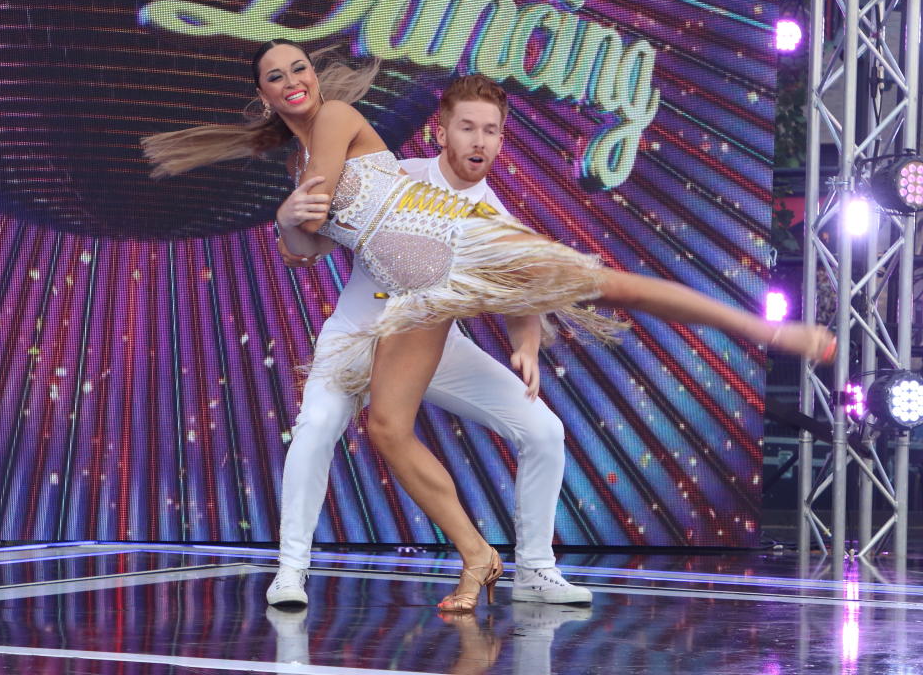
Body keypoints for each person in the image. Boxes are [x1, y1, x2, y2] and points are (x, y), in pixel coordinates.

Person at [143, 39, 836, 613]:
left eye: (299, 68)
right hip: (404, 303)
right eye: (278, 75)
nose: (294, 79)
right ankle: (467, 556)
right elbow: (309, 248)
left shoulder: (336, 120)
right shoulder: (333, 160)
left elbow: (315, 217)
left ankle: (772, 333)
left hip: (461, 252)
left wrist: (527, 339)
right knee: (379, 426)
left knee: (608, 286)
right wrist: (289, 226)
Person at [265, 75, 592, 608]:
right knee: (317, 425)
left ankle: (535, 570)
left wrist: (526, 345)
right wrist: (292, 228)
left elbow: (521, 294)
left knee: (545, 431)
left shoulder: (494, 221)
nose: (479, 140)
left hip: (432, 347)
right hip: (355, 333)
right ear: (441, 133)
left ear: (502, 141)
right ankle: (290, 571)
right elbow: (317, 239)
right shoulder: (394, 175)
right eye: (467, 127)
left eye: (490, 131)